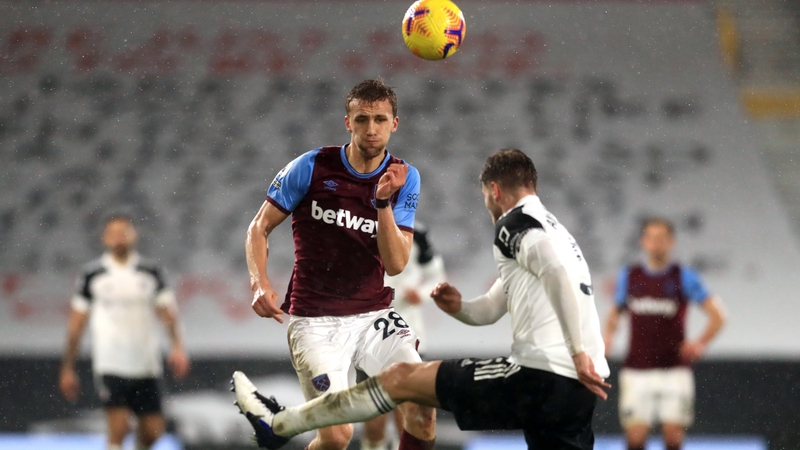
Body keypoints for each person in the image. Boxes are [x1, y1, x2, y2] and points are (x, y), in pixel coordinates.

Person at [233, 148, 611, 450]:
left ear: (494, 191)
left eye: (484, 197)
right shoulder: (558, 232)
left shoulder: (514, 225)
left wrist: (576, 352)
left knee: (402, 379)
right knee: (409, 403)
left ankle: (277, 425)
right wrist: (459, 307)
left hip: (541, 374)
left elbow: (556, 276)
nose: (487, 206)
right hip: (581, 388)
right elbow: (493, 308)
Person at [244, 79, 436, 450]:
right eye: (362, 119)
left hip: (373, 314)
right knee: (336, 434)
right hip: (315, 320)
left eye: (380, 119)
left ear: (395, 123)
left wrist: (382, 203)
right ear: (347, 122)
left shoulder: (404, 177)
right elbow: (259, 227)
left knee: (421, 404)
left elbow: (396, 264)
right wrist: (258, 281)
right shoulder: (311, 167)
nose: (371, 129)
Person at [59, 214, 190, 450]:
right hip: (111, 363)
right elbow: (76, 324)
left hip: (146, 363)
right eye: (113, 233)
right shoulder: (93, 275)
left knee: (153, 432)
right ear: (104, 239)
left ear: (134, 235)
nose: (119, 238)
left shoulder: (151, 273)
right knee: (118, 429)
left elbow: (168, 314)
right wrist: (68, 367)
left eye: (124, 232)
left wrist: (177, 347)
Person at [603, 218, 726, 450]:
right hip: (637, 369)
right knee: (636, 439)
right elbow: (614, 312)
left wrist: (700, 343)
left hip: (675, 370)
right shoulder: (630, 277)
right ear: (643, 242)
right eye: (652, 238)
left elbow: (718, 315)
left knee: (673, 439)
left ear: (671, 242)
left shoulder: (683, 277)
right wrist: (607, 337)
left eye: (662, 238)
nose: (656, 244)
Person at [361, 223, 446, 450]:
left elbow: (436, 276)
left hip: (410, 333)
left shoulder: (417, 233)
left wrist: (420, 293)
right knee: (374, 422)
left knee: (408, 417)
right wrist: (395, 294)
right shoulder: (360, 225)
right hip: (370, 335)